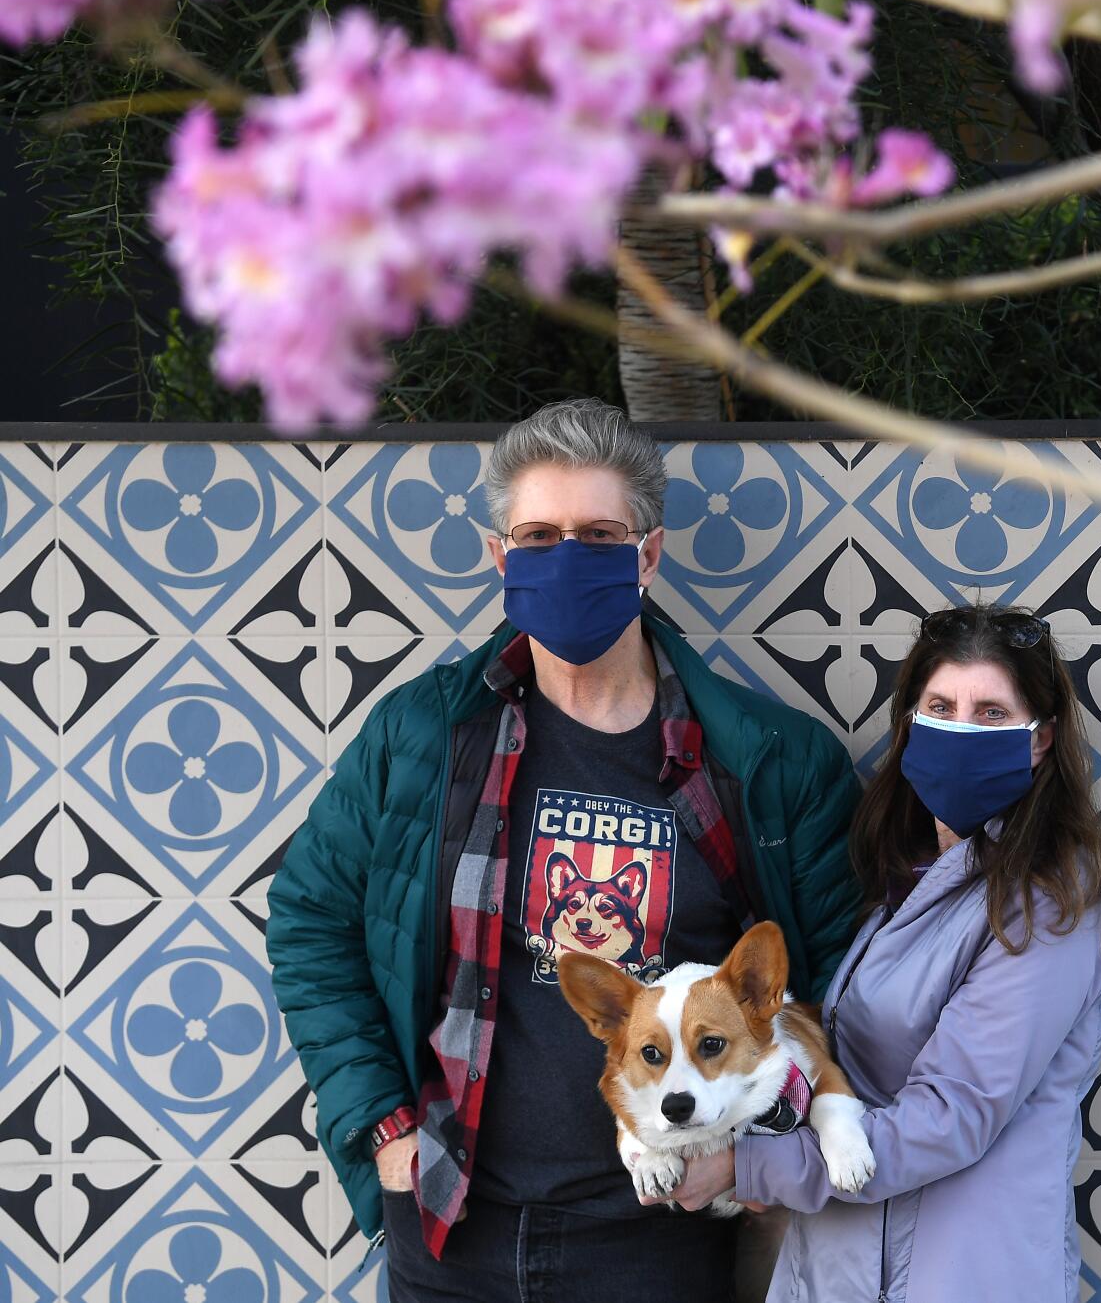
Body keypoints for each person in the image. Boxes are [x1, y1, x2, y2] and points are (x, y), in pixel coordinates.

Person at [266, 399, 862, 1302]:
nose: (566, 558)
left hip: (657, 1237)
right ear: (500, 557)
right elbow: (311, 922)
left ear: (648, 556)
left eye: (598, 534)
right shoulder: (425, 734)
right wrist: (382, 1129)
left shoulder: (771, 760)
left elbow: (839, 986)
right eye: (538, 536)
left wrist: (753, 1155)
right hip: (449, 1228)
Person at [669, 603, 1101, 1303]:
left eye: (992, 714)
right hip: (845, 1265)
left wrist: (748, 1165)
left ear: (1041, 740)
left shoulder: (1048, 903)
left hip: (964, 1275)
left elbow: (952, 1116)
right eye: (941, 705)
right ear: (910, 724)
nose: (962, 729)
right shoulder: (908, 877)